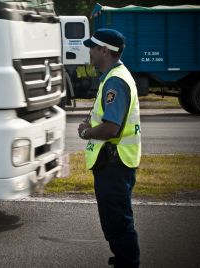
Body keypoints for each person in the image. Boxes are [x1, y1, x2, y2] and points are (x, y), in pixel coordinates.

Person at [77, 28, 141, 268]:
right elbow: (105, 116)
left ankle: (127, 263)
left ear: (104, 50)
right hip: (115, 162)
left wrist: (86, 132)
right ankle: (124, 259)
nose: (90, 52)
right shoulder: (114, 76)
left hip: (114, 163)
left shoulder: (116, 80)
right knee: (116, 220)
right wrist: (91, 121)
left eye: (92, 47)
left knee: (117, 221)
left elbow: (111, 127)